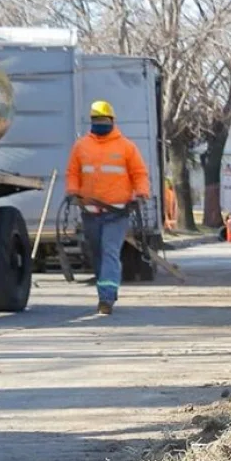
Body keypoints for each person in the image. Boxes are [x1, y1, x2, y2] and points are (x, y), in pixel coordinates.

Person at [66, 100, 150, 316]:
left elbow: (139, 173)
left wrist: (141, 193)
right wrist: (73, 191)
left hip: (117, 211)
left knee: (110, 251)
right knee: (98, 254)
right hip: (90, 211)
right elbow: (73, 172)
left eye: (104, 120)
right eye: (96, 120)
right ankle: (105, 291)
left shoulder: (126, 147)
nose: (100, 124)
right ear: (91, 122)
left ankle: (106, 298)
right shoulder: (81, 146)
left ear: (112, 121)